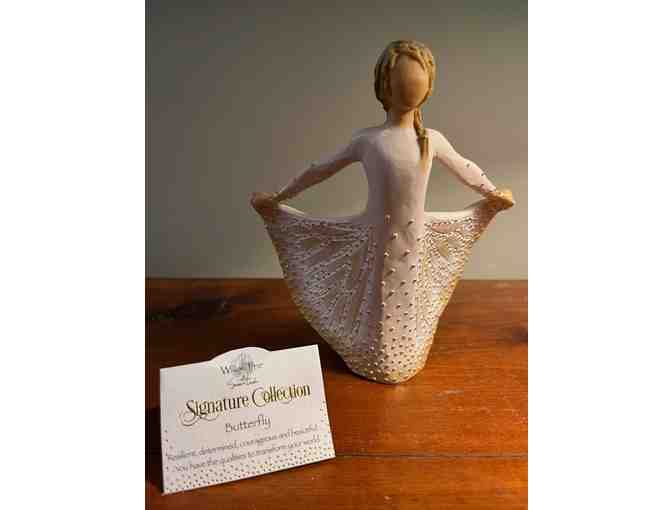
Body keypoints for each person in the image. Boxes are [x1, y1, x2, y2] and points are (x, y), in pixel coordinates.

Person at [251, 40, 515, 384]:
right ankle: (372, 352)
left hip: (413, 239)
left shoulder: (430, 139)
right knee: (378, 293)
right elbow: (321, 169)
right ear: (385, 87)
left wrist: (492, 193)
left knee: (406, 292)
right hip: (378, 237)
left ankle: (403, 354)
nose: (410, 87)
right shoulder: (369, 140)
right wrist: (280, 197)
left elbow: (464, 166)